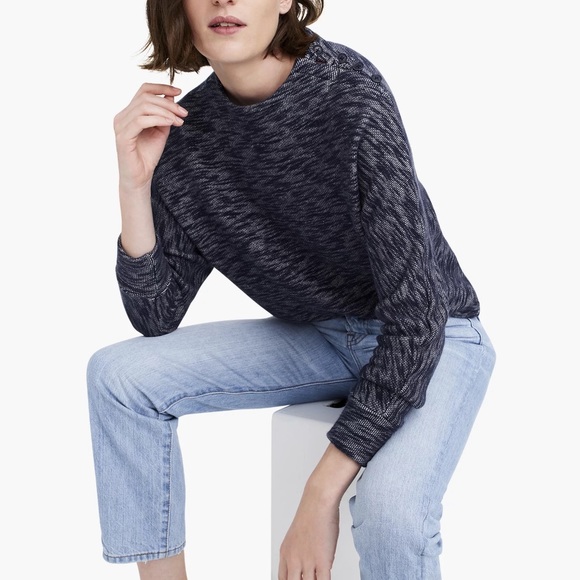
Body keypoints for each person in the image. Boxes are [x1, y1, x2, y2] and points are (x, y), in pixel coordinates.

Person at [87, 0, 496, 578]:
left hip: (435, 336)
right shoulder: (184, 134)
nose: (223, 0)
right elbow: (155, 314)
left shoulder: (346, 90)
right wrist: (134, 184)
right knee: (119, 378)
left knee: (392, 515)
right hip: (320, 337)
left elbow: (417, 317)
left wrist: (318, 497)